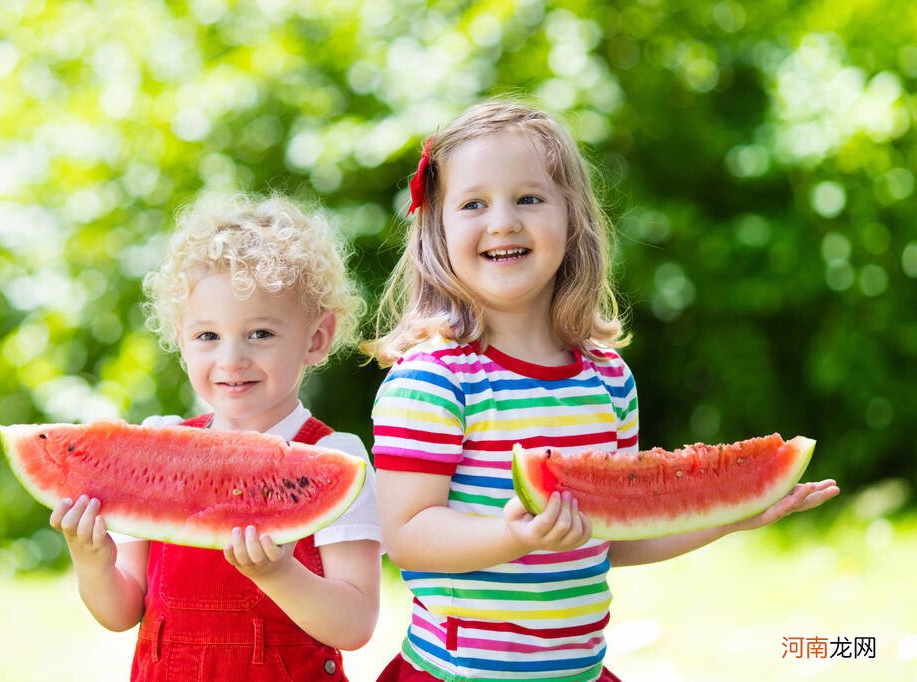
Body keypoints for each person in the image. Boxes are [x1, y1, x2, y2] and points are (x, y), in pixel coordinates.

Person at [362, 100, 839, 682]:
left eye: (529, 198)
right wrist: (514, 534)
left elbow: (620, 532)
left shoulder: (607, 377)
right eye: (473, 204)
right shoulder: (432, 379)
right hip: (459, 672)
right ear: (437, 229)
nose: (504, 221)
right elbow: (407, 535)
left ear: (573, 219)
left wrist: (733, 515)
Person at [50, 194, 382, 681]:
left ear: (316, 337)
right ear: (181, 339)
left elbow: (354, 624)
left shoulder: (335, 459)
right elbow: (120, 613)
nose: (231, 360)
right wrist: (93, 563)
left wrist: (279, 575)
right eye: (207, 336)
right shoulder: (158, 447)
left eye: (261, 334)